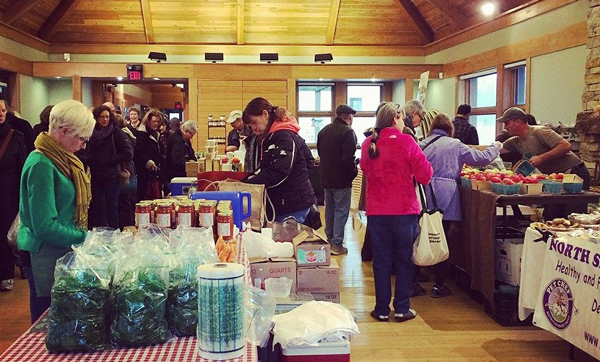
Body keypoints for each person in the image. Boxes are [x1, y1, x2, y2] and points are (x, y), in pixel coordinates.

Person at [18, 100, 94, 322]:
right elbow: (45, 226)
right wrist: (85, 237)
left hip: (58, 249)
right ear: (64, 131)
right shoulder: (41, 164)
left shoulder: (60, 158)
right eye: (81, 138)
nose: (83, 145)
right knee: (46, 321)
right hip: (42, 253)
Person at [360, 102, 433, 323]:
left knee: (381, 262)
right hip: (404, 211)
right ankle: (402, 308)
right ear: (395, 118)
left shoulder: (368, 144)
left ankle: (381, 309)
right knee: (403, 260)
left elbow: (364, 168)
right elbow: (425, 175)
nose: (403, 123)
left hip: (377, 212)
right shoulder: (407, 142)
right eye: (401, 119)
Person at [419, 113, 500, 298]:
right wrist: (495, 146)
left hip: (424, 192)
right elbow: (481, 159)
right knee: (442, 238)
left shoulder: (423, 143)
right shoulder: (455, 144)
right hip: (446, 193)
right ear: (450, 128)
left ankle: (416, 279)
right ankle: (439, 284)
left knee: (422, 234)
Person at [242, 97, 316, 223]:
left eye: (254, 122)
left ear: (265, 114)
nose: (253, 128)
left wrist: (250, 183)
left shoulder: (283, 136)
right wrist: (250, 178)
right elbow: (267, 167)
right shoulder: (271, 137)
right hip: (285, 203)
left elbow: (280, 171)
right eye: (250, 126)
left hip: (292, 206)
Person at [498, 107, 590, 188]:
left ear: (517, 122)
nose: (505, 127)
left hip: (574, 173)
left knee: (573, 207)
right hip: (554, 179)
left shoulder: (540, 132)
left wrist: (541, 158)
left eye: (507, 123)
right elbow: (497, 150)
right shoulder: (515, 141)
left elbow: (566, 146)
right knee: (551, 207)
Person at [317, 104, 358, 256]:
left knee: (329, 209)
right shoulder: (348, 132)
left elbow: (321, 153)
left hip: (326, 178)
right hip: (341, 180)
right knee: (341, 211)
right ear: (349, 117)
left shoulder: (323, 131)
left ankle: (329, 239)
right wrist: (353, 172)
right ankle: (337, 244)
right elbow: (348, 159)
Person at [84, 105, 133, 229]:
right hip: (96, 174)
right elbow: (84, 152)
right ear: (96, 118)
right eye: (102, 117)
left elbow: (128, 153)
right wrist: (91, 160)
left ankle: (114, 232)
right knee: (98, 205)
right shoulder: (90, 132)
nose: (105, 120)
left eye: (107, 116)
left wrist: (109, 160)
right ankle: (101, 232)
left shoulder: (116, 132)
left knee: (111, 206)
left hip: (112, 174)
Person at [0, 100, 27, 292]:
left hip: (8, 193)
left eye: (2, 110)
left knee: (5, 232)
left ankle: (6, 273)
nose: (0, 113)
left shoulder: (15, 136)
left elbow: (22, 167)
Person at [134, 108, 163, 201]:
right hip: (144, 173)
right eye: (154, 121)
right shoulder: (141, 134)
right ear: (148, 121)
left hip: (154, 172)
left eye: (158, 121)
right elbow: (138, 152)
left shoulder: (155, 134)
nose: (156, 124)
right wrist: (148, 162)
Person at [114, 114, 137, 229]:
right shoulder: (128, 134)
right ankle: (128, 227)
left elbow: (128, 154)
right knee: (127, 202)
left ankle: (126, 228)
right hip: (129, 171)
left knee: (124, 202)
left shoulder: (121, 135)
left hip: (124, 172)